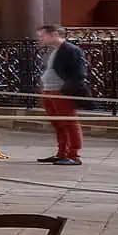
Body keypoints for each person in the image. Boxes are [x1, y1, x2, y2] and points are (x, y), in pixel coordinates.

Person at [39, 23, 89, 165]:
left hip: (60, 91)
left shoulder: (71, 50)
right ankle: (62, 153)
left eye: (43, 36)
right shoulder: (55, 50)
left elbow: (79, 73)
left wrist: (66, 90)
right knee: (58, 124)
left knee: (69, 122)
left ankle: (74, 155)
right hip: (49, 90)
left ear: (55, 34)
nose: (41, 39)